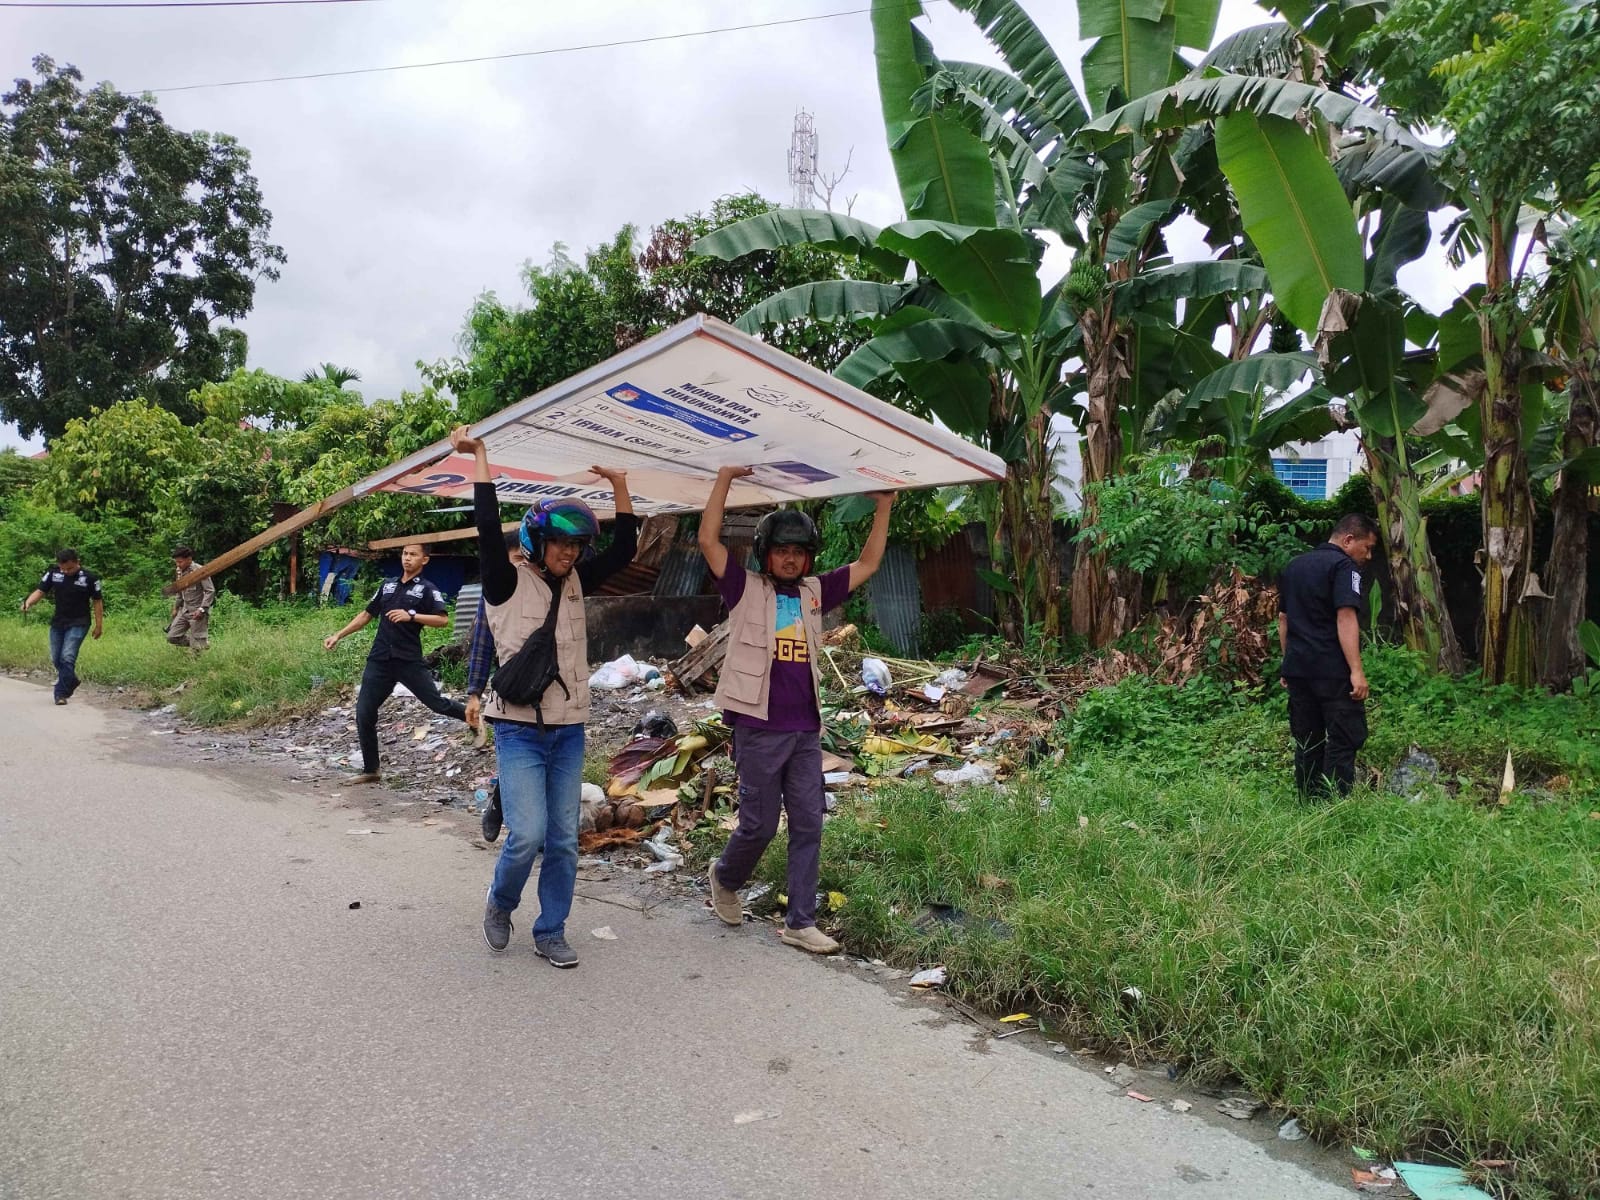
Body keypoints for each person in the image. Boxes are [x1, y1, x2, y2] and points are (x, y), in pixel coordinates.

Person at [450, 425, 638, 969]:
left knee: (563, 839)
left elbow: (625, 547)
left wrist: (619, 484)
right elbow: (488, 526)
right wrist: (480, 456)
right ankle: (500, 901)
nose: (569, 552)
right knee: (528, 834)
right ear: (537, 542)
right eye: (560, 543)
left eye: (576, 545)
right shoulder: (504, 582)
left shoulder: (577, 579)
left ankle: (550, 929)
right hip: (518, 728)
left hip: (569, 728)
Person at [700, 466, 894, 954]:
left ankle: (800, 922)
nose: (790, 559)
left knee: (809, 824)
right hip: (758, 727)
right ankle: (725, 877)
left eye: (799, 552)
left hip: (806, 729)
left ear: (809, 557)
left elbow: (869, 563)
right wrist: (725, 479)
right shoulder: (743, 588)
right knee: (759, 825)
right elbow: (707, 540)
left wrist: (884, 505)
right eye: (781, 551)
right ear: (765, 554)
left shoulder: (814, 592)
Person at [322, 543, 467, 784]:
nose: (407, 558)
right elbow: (366, 615)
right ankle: (371, 770)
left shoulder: (427, 589)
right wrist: (338, 635)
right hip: (380, 659)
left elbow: (442, 620)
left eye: (413, 555)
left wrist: (412, 616)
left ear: (424, 560)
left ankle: (473, 717)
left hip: (408, 660)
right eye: (405, 554)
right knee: (364, 712)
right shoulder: (387, 585)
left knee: (437, 704)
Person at [1277, 513, 1380, 797]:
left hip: (1298, 669)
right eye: (1367, 547)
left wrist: (1287, 663)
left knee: (1307, 739)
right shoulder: (1344, 567)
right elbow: (1345, 616)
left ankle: (1308, 800)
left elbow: (1283, 619)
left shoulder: (1294, 566)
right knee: (1345, 737)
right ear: (1348, 540)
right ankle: (1335, 803)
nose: (1368, 556)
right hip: (1332, 671)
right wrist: (1356, 671)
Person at [465, 532, 525, 843]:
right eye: (517, 559)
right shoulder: (495, 591)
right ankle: (501, 806)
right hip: (510, 689)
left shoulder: (549, 586)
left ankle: (514, 813)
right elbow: (482, 643)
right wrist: (474, 693)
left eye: (527, 559)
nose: (523, 566)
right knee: (517, 754)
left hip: (552, 689)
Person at [21, 548, 104, 706]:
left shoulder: (90, 578)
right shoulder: (53, 573)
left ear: (77, 562)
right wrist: (28, 603)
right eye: (63, 569)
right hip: (58, 622)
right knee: (56, 658)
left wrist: (99, 625)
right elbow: (40, 591)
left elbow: (97, 601)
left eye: (70, 568)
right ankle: (71, 680)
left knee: (67, 657)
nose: (66, 572)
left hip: (79, 622)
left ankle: (60, 693)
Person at [166, 546, 215, 651]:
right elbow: (180, 591)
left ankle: (198, 645)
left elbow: (210, 591)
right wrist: (176, 608)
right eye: (176, 562)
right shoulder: (179, 571)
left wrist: (202, 609)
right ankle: (200, 644)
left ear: (189, 559)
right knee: (172, 637)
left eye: (180, 562)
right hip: (185, 610)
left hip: (197, 611)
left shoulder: (200, 570)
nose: (178, 565)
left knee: (195, 650)